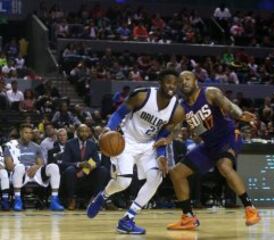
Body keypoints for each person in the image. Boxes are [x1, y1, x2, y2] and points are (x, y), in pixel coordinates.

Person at [86, 69, 185, 234]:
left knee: (156, 177)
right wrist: (108, 128)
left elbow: (163, 136)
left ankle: (128, 219)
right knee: (124, 182)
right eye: (168, 82)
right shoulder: (142, 96)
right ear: (160, 82)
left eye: (175, 84)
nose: (172, 86)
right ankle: (103, 195)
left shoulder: (177, 110)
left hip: (148, 146)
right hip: (125, 141)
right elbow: (119, 114)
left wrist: (161, 155)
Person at [165, 71, 261, 230]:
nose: (184, 82)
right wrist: (166, 138)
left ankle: (250, 209)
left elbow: (229, 106)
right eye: (180, 81)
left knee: (224, 165)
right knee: (176, 173)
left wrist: (240, 115)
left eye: (187, 79)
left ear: (196, 81)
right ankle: (188, 217)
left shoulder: (210, 93)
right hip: (209, 146)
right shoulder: (182, 107)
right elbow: (175, 129)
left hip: (228, 137)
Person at [3, 123, 64, 211]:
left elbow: (41, 163)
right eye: (26, 133)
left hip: (35, 172)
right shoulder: (10, 146)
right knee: (19, 167)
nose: (29, 135)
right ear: (20, 133)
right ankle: (17, 200)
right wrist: (24, 168)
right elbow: (9, 167)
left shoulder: (36, 146)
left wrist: (36, 166)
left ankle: (54, 200)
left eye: (31, 133)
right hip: (19, 173)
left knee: (54, 167)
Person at [61, 124, 108, 210]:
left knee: (103, 170)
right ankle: (72, 199)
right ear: (77, 132)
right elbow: (64, 163)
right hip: (74, 173)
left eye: (86, 131)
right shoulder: (69, 144)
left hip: (88, 172)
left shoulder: (92, 144)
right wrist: (79, 164)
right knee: (69, 170)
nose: (84, 134)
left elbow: (97, 162)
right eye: (82, 131)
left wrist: (90, 167)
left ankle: (94, 199)